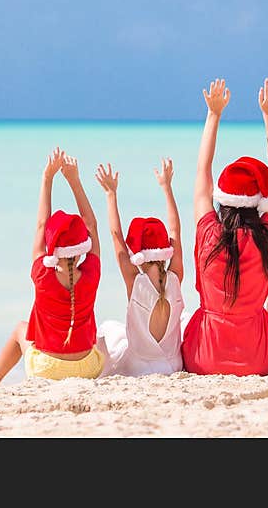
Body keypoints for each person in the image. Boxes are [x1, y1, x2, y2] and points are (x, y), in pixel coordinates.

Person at [182, 76, 268, 376]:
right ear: (258, 202)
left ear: (222, 200)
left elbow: (203, 171)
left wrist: (213, 114)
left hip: (205, 358)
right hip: (258, 359)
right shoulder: (267, 236)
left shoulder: (208, 234)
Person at [0, 147, 103, 383]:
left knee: (20, 328)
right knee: (99, 339)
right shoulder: (91, 273)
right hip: (87, 368)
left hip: (48, 368)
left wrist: (46, 179)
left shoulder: (43, 275)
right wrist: (74, 181)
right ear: (82, 249)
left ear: (53, 249)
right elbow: (91, 225)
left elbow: (41, 224)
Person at [93, 158, 185, 376]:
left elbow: (116, 238)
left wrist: (111, 195)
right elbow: (175, 231)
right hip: (174, 364)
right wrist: (167, 188)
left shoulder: (136, 281)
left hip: (139, 367)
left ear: (138, 255)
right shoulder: (175, 276)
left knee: (107, 329)